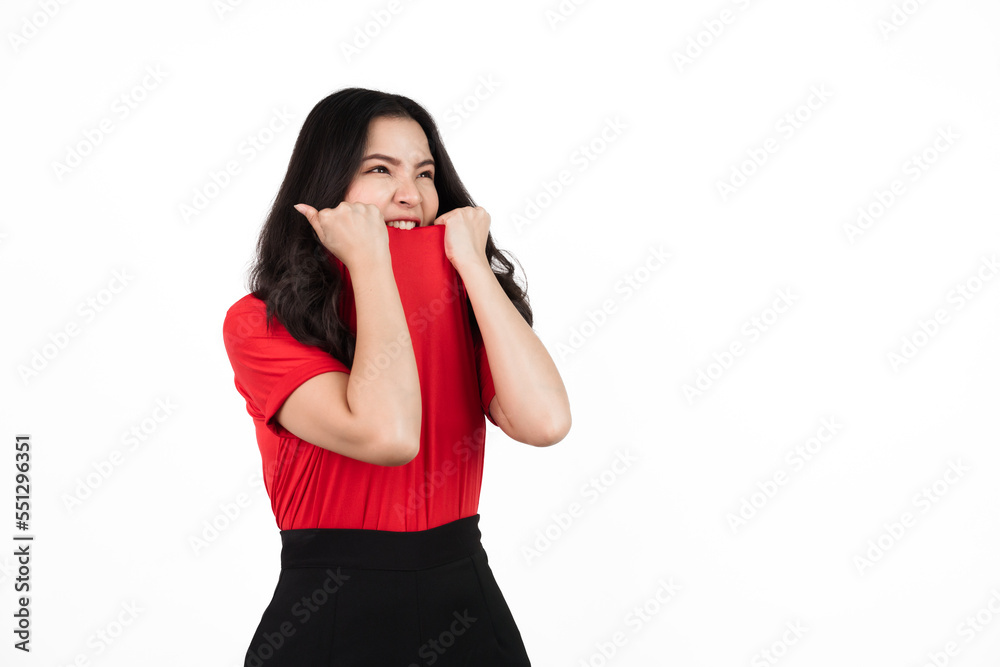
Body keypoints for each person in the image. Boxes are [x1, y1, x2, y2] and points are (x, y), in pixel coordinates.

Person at [222, 87, 571, 665]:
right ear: (327, 186)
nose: (410, 195)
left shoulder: (463, 308)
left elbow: (546, 422)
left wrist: (475, 269)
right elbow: (389, 435)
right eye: (380, 170)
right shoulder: (261, 324)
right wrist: (368, 261)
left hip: (466, 607)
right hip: (329, 613)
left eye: (425, 173)